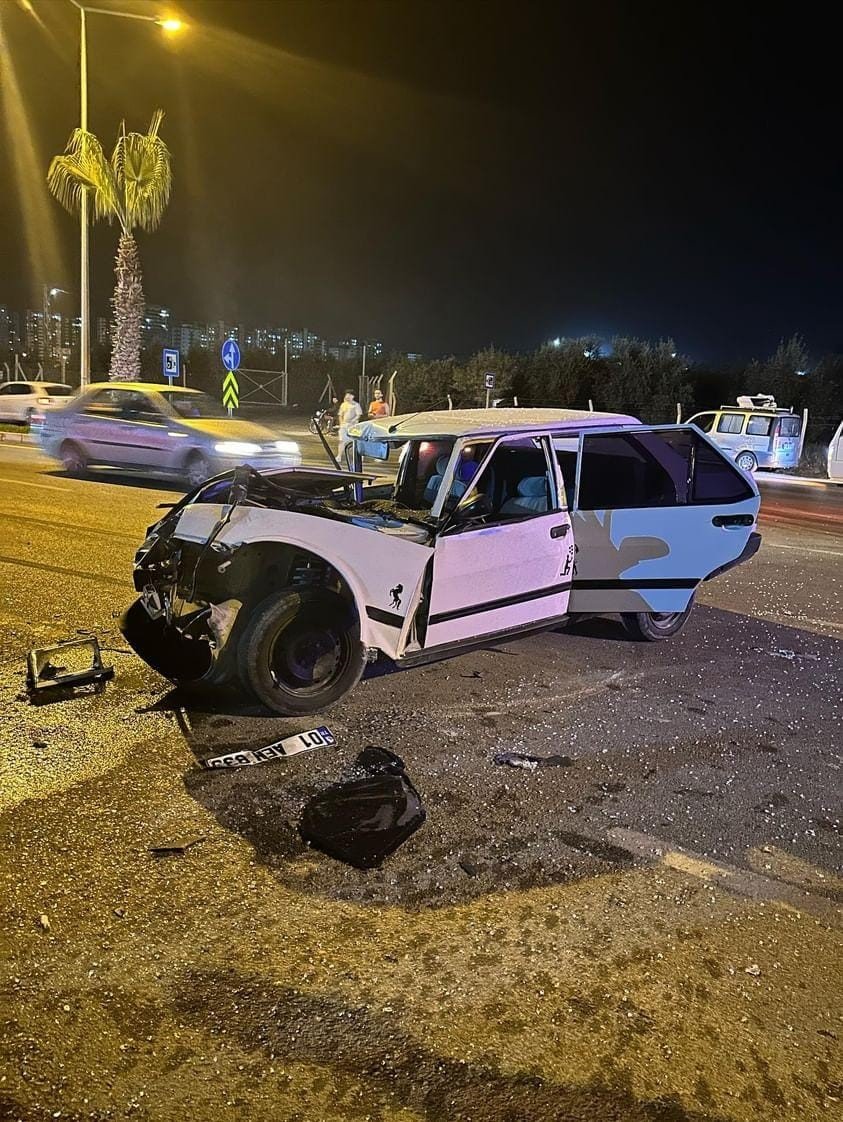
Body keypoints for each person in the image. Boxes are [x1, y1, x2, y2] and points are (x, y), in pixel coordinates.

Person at [337, 390, 362, 462]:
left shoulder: (356, 405)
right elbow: (340, 415)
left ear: (353, 396)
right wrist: (341, 423)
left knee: (354, 442)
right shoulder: (343, 405)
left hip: (353, 426)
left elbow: (358, 415)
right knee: (341, 441)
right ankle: (339, 456)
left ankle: (357, 457)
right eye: (346, 395)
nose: (347, 397)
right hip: (344, 425)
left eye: (349, 395)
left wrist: (352, 421)